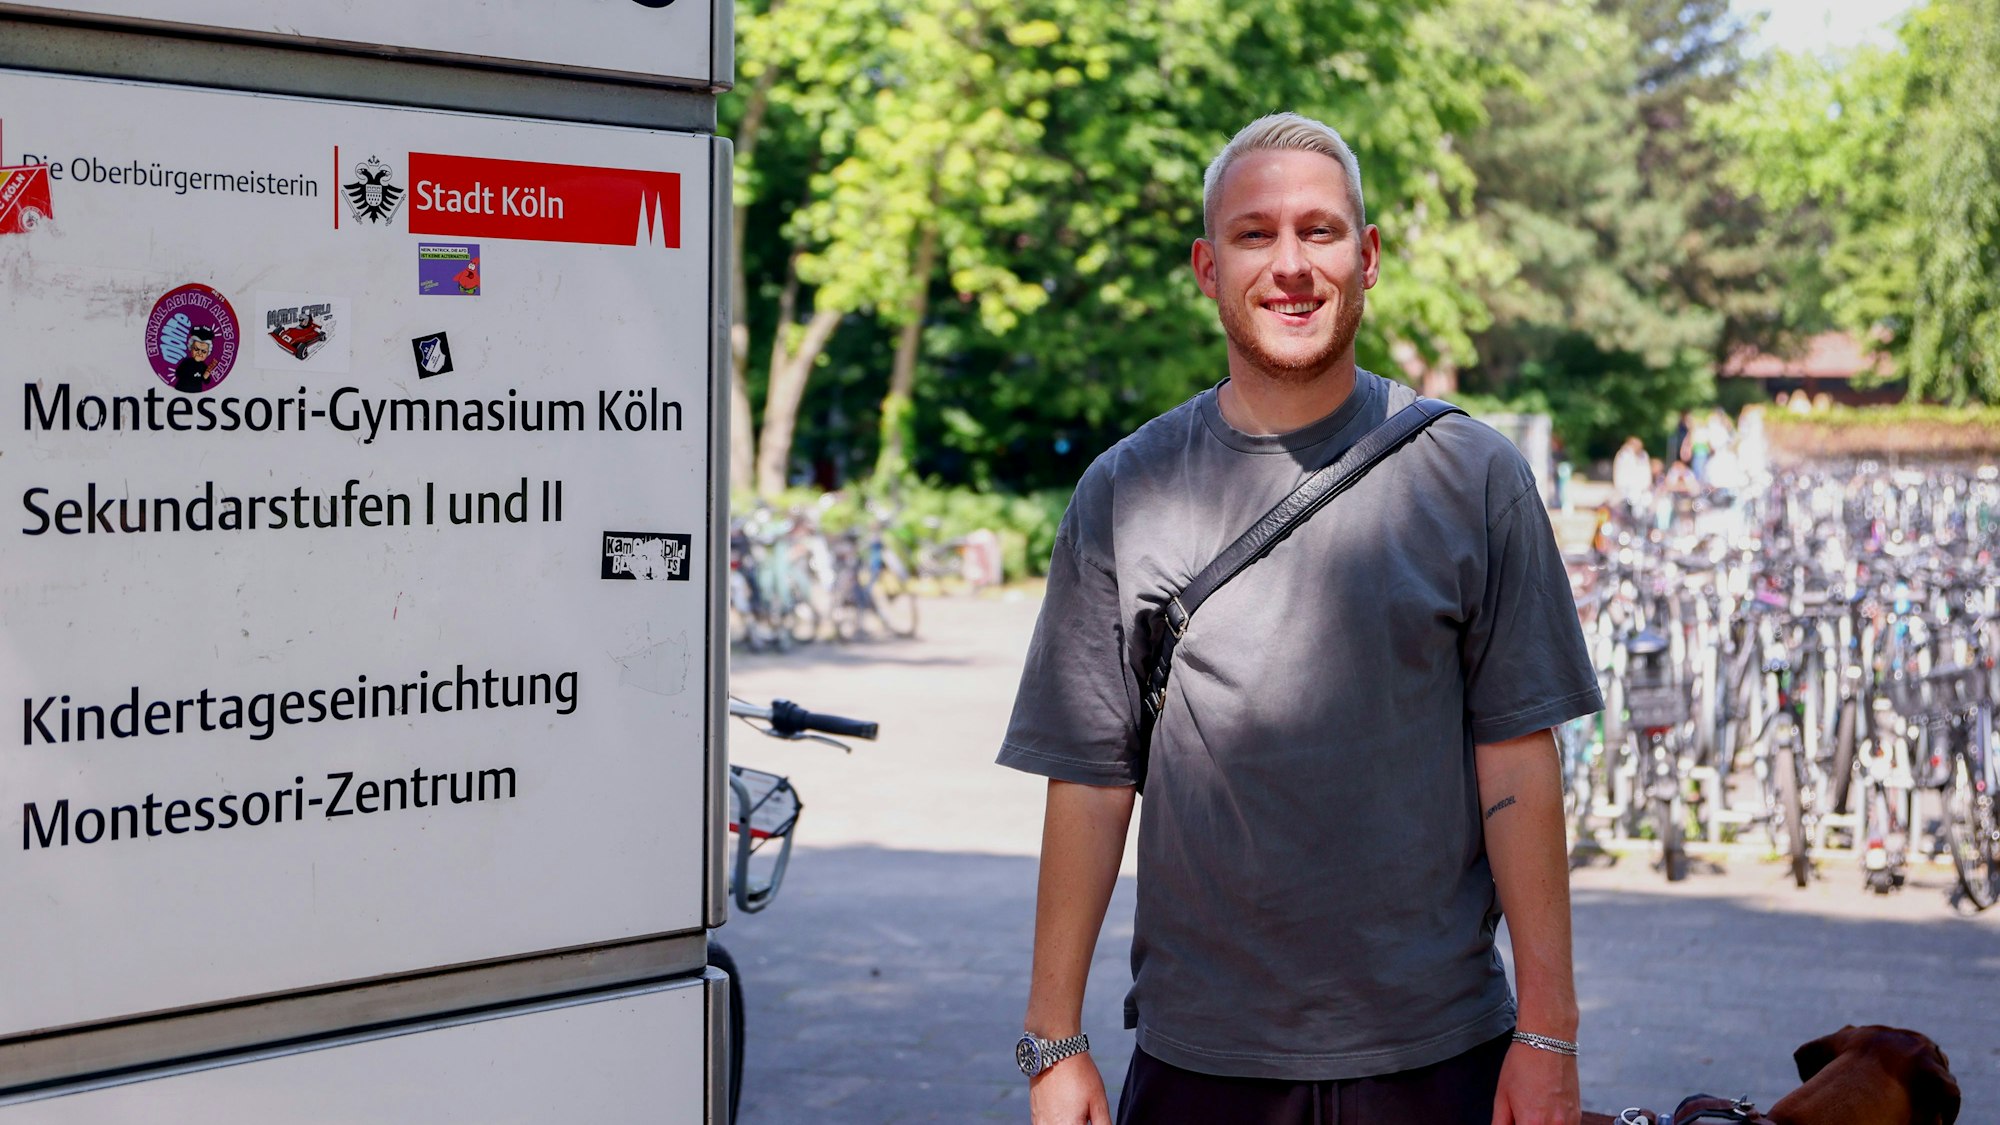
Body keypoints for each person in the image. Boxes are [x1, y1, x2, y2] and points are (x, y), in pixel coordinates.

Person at [999, 112, 1603, 1125]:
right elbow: (1091, 780)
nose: (1289, 264)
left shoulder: (1472, 477)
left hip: (1437, 1052)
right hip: (1202, 1062)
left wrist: (1548, 1033)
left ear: (1365, 259)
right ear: (1205, 266)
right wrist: (1052, 1042)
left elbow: (1517, 763)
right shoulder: (1125, 492)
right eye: (1254, 233)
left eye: (1319, 232)